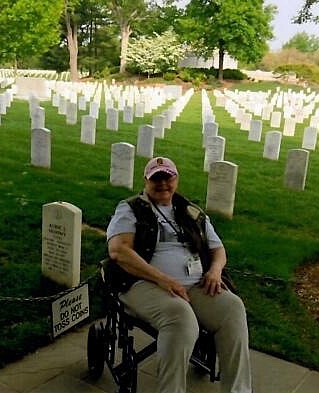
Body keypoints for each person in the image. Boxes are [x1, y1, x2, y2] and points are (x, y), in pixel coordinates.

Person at [106, 156, 252, 393]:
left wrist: (215, 272)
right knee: (180, 316)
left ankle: (238, 390)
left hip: (194, 285)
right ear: (146, 181)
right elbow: (119, 251)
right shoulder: (130, 208)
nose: (163, 183)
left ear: (176, 179)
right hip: (143, 284)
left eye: (168, 177)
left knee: (233, 308)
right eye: (156, 178)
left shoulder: (189, 211)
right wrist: (163, 280)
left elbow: (218, 249)